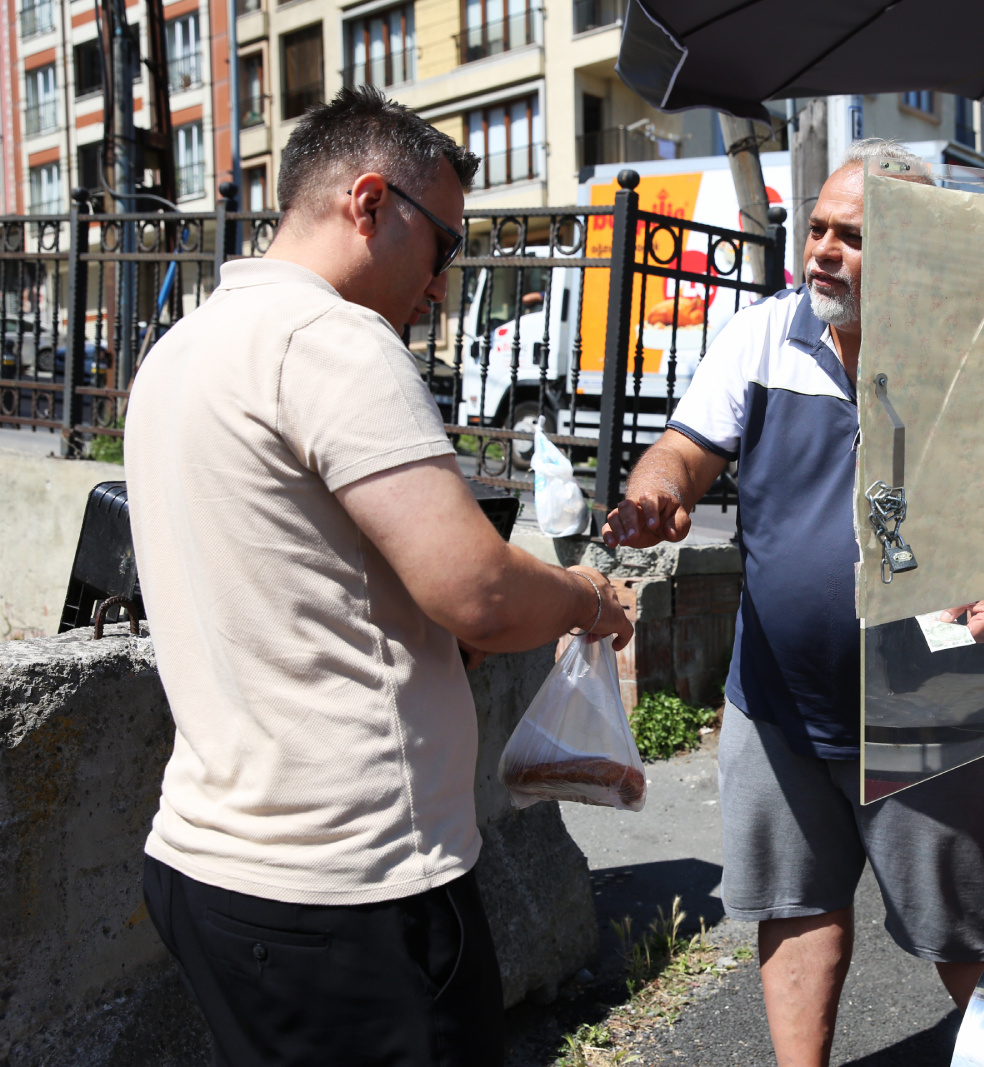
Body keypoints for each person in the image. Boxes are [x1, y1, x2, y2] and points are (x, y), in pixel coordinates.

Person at [124, 86, 631, 1066]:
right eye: (444, 246)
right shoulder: (334, 340)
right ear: (368, 202)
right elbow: (474, 587)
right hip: (347, 885)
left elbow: (304, 584)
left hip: (213, 862)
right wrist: (588, 595)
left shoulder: (179, 350)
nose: (442, 284)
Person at [602, 138, 984, 1066]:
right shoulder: (764, 336)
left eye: (852, 235)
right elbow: (683, 448)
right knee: (795, 908)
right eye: (816, 229)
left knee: (973, 930)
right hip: (779, 707)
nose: (820, 251)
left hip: (936, 708)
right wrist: (658, 490)